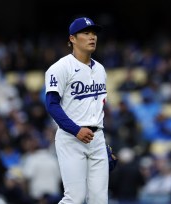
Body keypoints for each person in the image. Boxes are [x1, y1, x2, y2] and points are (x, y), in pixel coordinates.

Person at [44, 17, 109, 204]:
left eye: (94, 33)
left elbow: (97, 108)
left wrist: (101, 142)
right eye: (86, 33)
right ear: (72, 38)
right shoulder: (60, 68)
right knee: (75, 198)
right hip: (71, 138)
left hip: (96, 138)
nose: (92, 37)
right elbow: (52, 105)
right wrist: (76, 130)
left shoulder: (101, 70)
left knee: (99, 200)